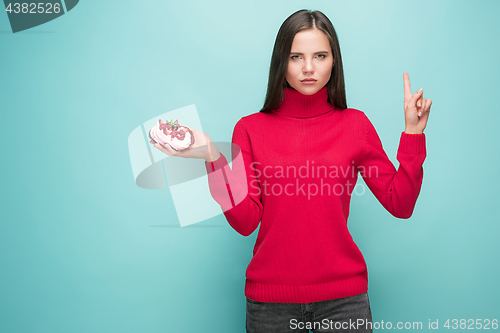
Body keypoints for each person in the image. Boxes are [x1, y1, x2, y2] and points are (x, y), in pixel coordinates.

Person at [151, 9, 431, 333]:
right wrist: (214, 157)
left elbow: (401, 203)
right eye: (296, 56)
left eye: (320, 56)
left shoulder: (356, 125)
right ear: (281, 61)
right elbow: (245, 222)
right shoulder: (250, 129)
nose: (308, 68)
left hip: (344, 299)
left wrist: (413, 135)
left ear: (334, 60)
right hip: (271, 304)